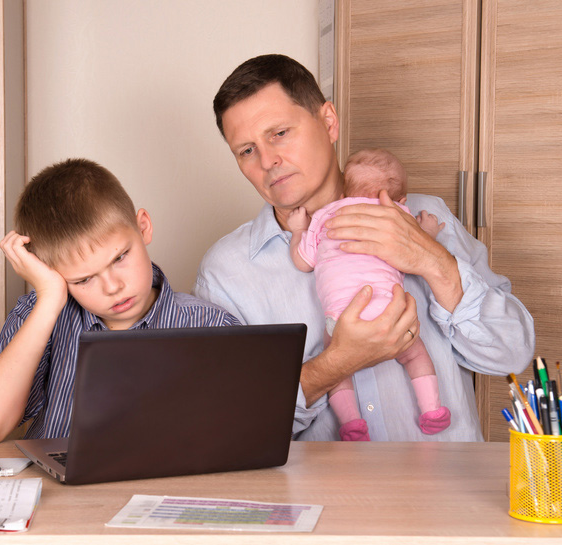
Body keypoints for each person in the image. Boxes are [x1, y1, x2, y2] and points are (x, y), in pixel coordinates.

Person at [194, 54, 535, 441]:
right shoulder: (227, 272)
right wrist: (336, 363)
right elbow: (230, 425)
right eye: (247, 150)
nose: (268, 161)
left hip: (447, 495)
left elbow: (512, 353)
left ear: (328, 122)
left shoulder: (425, 215)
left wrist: (431, 259)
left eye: (279, 133)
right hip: (326, 500)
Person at [0, 158, 239, 444]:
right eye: (83, 280)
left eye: (120, 258)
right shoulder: (40, 318)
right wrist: (48, 299)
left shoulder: (212, 326)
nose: (113, 287)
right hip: (58, 486)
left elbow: (239, 434)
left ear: (142, 227)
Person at [288, 148, 450, 441]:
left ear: (342, 196)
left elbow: (303, 262)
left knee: (336, 367)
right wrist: (428, 232)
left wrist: (299, 230)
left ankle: (351, 424)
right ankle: (432, 410)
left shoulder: (325, 216)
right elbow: (417, 245)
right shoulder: (397, 216)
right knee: (415, 355)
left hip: (338, 320)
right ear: (401, 201)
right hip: (392, 314)